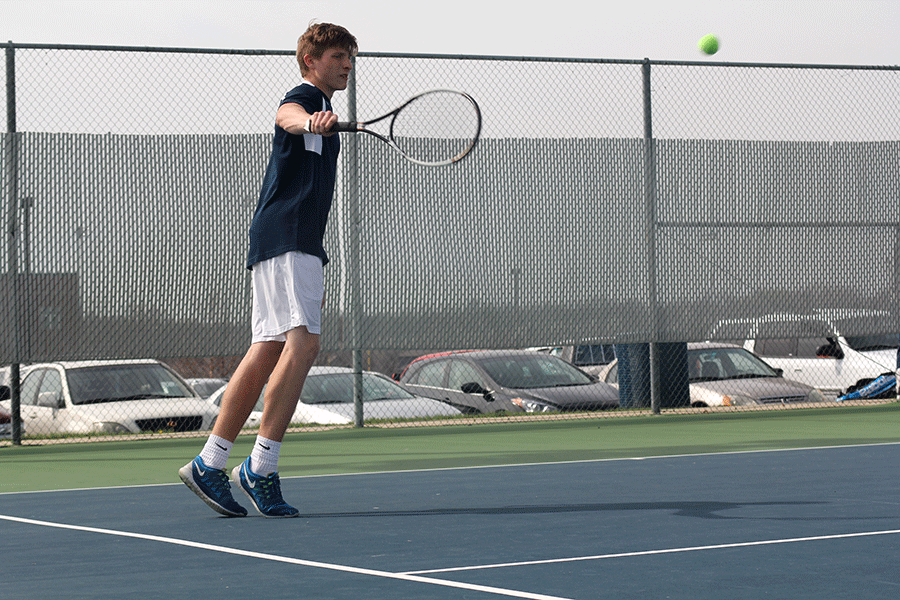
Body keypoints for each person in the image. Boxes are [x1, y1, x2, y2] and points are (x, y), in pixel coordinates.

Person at [179, 22, 358, 518]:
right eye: (338, 56)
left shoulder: (322, 107)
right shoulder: (303, 97)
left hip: (283, 238)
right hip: (289, 237)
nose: (346, 64)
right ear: (311, 61)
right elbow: (286, 115)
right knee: (304, 344)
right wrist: (308, 122)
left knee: (268, 348)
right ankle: (260, 467)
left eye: (350, 57)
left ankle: (210, 462)